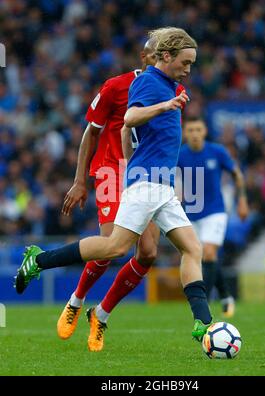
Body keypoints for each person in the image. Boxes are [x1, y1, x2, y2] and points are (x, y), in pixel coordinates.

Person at [15, 27, 213, 352]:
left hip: (159, 183)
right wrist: (87, 179)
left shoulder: (172, 86)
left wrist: (141, 164)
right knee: (113, 248)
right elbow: (129, 119)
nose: (189, 69)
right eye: (186, 61)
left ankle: (202, 323)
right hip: (132, 178)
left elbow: (129, 133)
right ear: (159, 56)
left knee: (188, 249)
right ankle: (41, 263)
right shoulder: (144, 84)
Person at [56, 31, 186, 350]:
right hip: (112, 170)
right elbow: (92, 132)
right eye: (158, 55)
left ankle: (100, 314)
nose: (163, 60)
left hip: (148, 173)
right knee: (112, 243)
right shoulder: (116, 86)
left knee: (149, 253)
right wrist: (79, 180)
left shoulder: (177, 89)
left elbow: (168, 139)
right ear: (147, 57)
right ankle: (75, 300)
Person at [177, 118, 249, 316]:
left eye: (198, 129)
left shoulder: (217, 151)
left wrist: (242, 200)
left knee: (208, 252)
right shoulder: (180, 154)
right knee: (204, 256)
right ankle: (226, 294)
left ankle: (204, 303)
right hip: (190, 214)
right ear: (185, 132)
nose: (194, 133)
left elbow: (237, 174)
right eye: (190, 130)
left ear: (205, 130)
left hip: (215, 211)